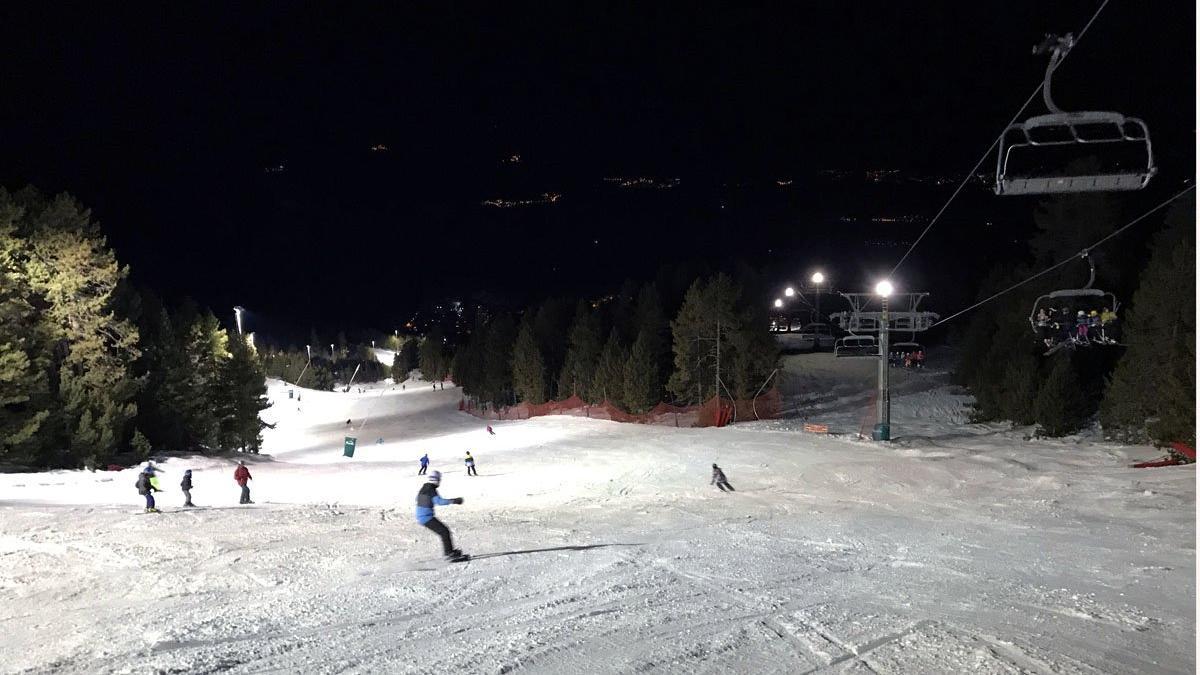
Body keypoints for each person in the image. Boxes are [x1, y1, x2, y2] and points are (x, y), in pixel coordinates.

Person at [415, 470, 467, 561]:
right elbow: (439, 502)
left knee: (444, 531)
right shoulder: (431, 489)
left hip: (422, 516)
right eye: (439, 479)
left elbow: (417, 499)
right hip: (426, 517)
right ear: (437, 480)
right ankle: (449, 553)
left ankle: (449, 552)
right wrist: (455, 500)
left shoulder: (424, 487)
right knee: (444, 531)